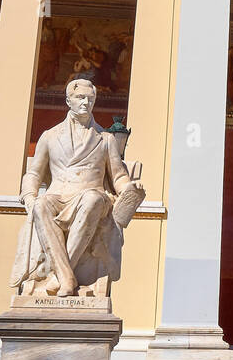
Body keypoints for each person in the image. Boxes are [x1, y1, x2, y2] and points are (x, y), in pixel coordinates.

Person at [12, 79, 143, 297]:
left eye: (90, 99)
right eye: (80, 98)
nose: (86, 103)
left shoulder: (106, 139)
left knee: (92, 199)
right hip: (58, 195)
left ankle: (58, 276)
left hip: (91, 196)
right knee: (41, 205)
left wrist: (129, 188)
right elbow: (34, 173)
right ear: (68, 100)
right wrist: (29, 196)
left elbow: (118, 175)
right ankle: (65, 277)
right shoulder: (50, 136)